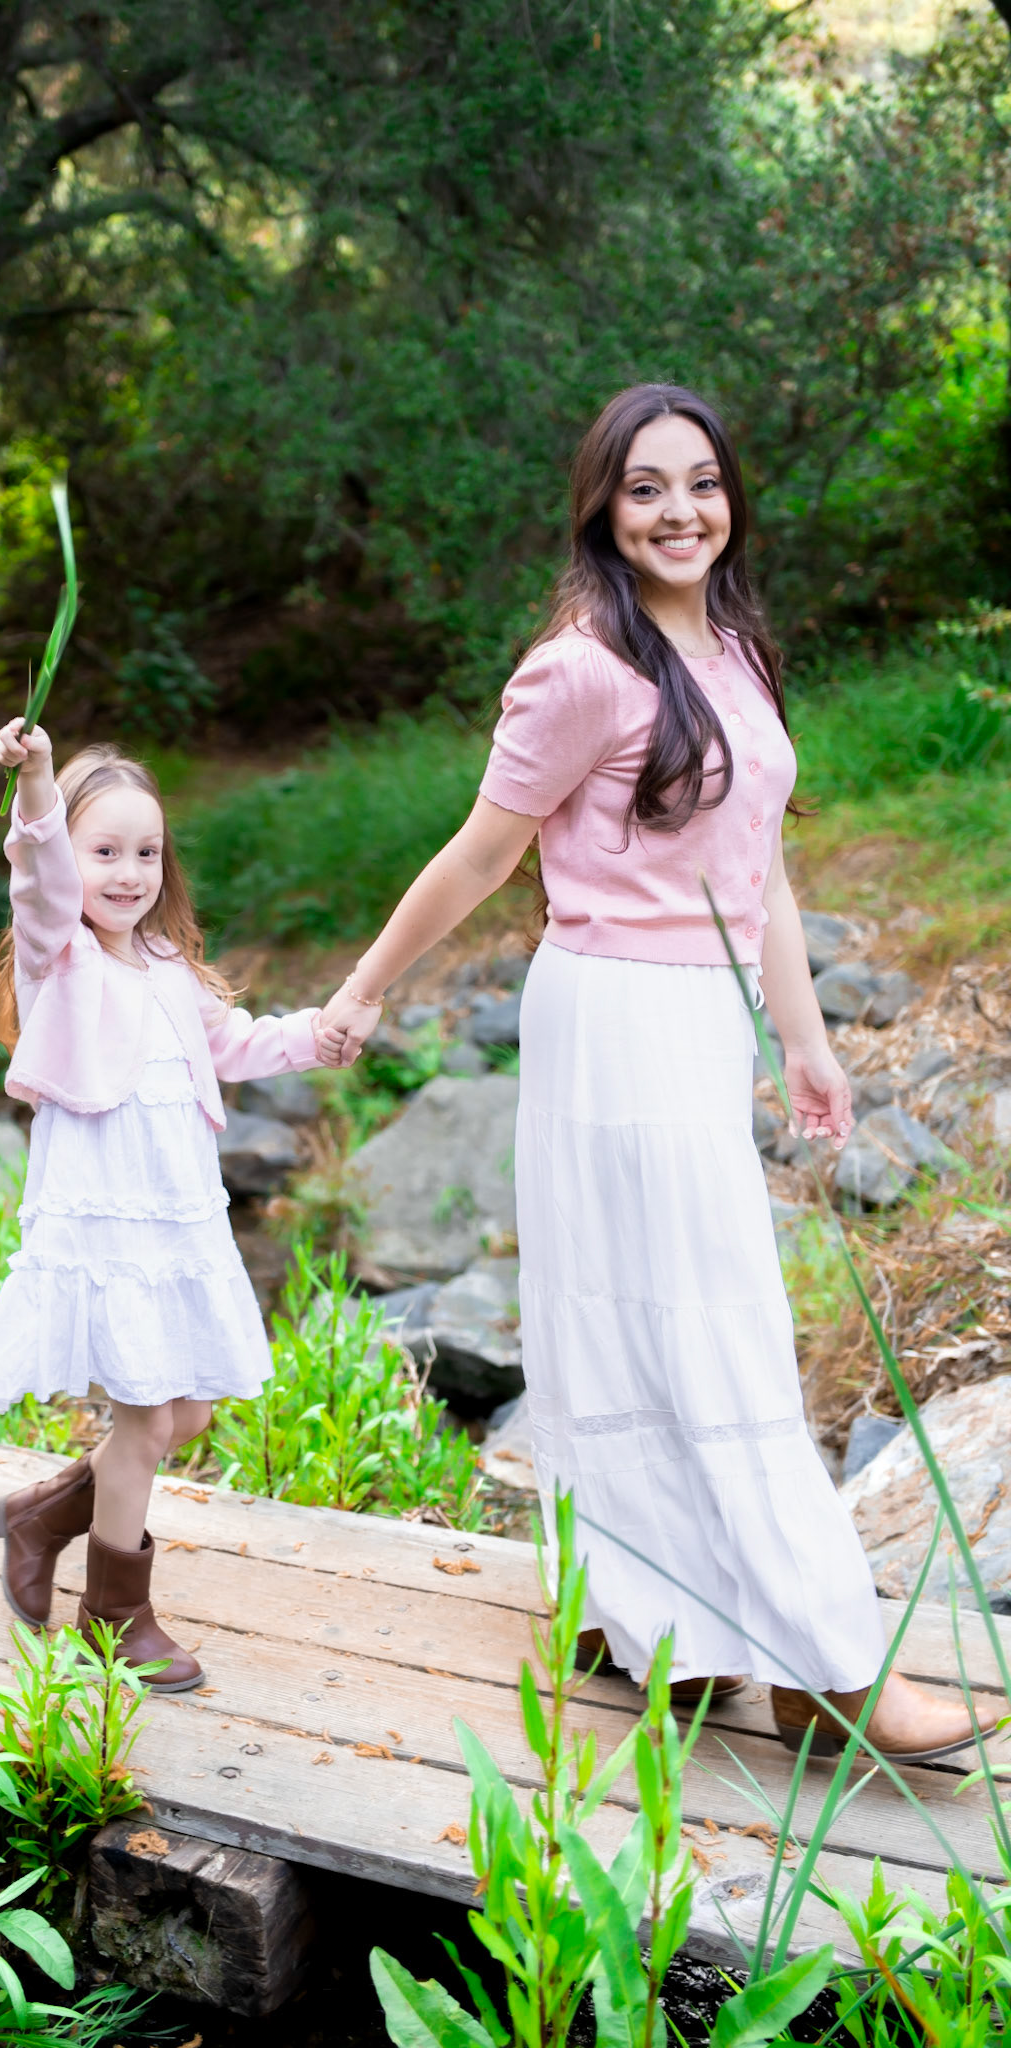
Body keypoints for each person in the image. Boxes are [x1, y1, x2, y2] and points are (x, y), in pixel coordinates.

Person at [316, 383, 983, 1766]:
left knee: (670, 1315)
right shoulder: (579, 670)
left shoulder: (733, 645)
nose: (681, 511)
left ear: (731, 497)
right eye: (645, 488)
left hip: (704, 1020)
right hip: (613, 1015)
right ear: (602, 511)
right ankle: (826, 1667)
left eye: (702, 483)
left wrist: (804, 1039)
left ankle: (674, 1630)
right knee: (686, 1321)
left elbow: (762, 866)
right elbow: (480, 853)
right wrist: (364, 988)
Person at [0, 721, 325, 1692]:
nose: (129, 874)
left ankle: (40, 1515)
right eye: (105, 852)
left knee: (187, 1412)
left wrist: (318, 1033)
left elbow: (236, 1043)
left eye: (147, 853)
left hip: (177, 1218)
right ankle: (115, 1615)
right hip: (107, 1220)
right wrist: (37, 780)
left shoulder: (166, 965)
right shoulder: (59, 959)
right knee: (146, 1421)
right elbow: (39, 875)